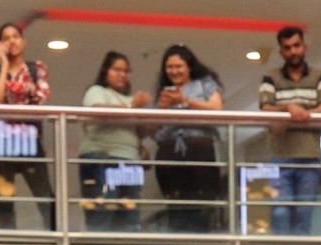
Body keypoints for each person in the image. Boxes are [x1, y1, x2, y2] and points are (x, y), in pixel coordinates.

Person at [258, 26, 321, 237]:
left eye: (297, 46)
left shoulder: (319, 75)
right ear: (281, 52)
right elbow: (265, 109)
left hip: (310, 157)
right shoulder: (270, 77)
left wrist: (300, 115)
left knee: (304, 212)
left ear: (304, 47)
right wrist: (289, 108)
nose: (293, 51)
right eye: (287, 48)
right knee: (280, 211)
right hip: (280, 157)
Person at [0, 23, 52, 230]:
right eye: (6, 38)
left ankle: (57, 242)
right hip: (2, 144)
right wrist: (3, 66)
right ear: (0, 44)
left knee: (44, 196)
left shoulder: (35, 68)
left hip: (30, 141)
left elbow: (41, 99)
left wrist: (9, 106)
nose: (12, 41)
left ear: (23, 41)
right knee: (4, 201)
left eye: (16, 36)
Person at [152, 45, 225, 233]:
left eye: (179, 66)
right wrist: (161, 110)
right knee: (174, 203)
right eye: (170, 67)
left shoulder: (205, 83)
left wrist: (185, 102)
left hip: (199, 149)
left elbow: (217, 109)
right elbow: (155, 131)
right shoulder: (164, 91)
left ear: (189, 66)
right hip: (169, 152)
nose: (174, 71)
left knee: (202, 202)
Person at [76, 51, 149, 232]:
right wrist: (133, 106)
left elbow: (140, 132)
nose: (122, 75)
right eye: (117, 70)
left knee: (130, 216)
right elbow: (98, 112)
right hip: (102, 157)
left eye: (126, 71)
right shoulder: (96, 91)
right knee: (103, 214)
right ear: (106, 72)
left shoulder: (131, 100)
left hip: (130, 162)